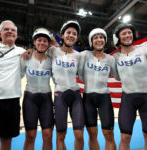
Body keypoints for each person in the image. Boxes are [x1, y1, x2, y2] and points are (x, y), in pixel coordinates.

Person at [47, 20, 85, 150]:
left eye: (74, 33)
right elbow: (41, 43)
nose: (71, 35)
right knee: (60, 135)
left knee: (79, 135)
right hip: (60, 96)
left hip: (75, 95)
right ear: (62, 35)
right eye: (68, 32)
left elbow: (83, 76)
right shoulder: (52, 51)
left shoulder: (79, 56)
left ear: (76, 38)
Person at [79, 28, 117, 150]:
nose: (99, 39)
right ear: (91, 41)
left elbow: (117, 75)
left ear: (105, 41)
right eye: (96, 37)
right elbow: (80, 74)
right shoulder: (85, 55)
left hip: (104, 97)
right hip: (88, 97)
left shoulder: (111, 59)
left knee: (109, 134)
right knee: (92, 134)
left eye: (101, 37)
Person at [113, 23, 147, 150]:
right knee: (124, 138)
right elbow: (117, 77)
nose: (127, 35)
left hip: (146, 96)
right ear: (119, 38)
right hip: (128, 99)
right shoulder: (115, 58)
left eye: (129, 33)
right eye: (124, 33)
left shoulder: (143, 49)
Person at [21, 28, 54, 150]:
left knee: (48, 135)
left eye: (45, 41)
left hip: (46, 100)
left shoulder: (52, 60)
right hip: (30, 99)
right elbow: (17, 76)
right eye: (39, 40)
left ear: (49, 44)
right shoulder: (26, 58)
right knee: (30, 135)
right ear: (34, 42)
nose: (42, 43)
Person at [0, 20, 26, 150]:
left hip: (11, 101)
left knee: (6, 139)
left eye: (13, 30)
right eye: (6, 29)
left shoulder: (22, 52)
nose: (10, 32)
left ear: (16, 34)